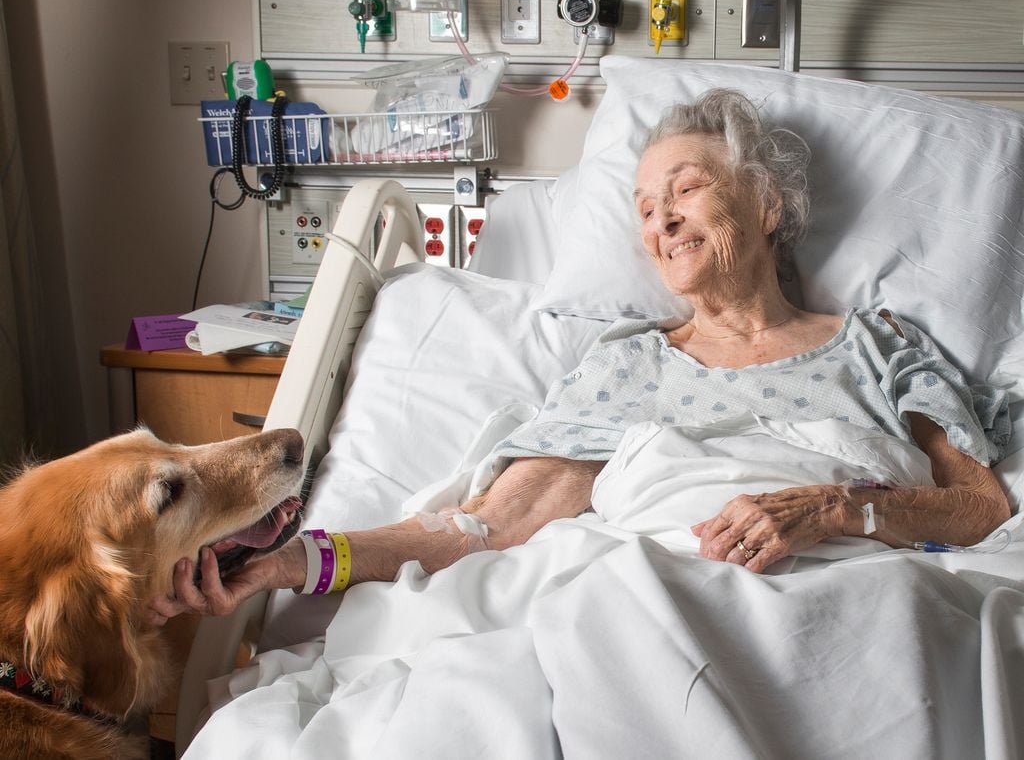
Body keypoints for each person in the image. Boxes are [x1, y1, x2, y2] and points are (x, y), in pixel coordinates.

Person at [150, 88, 1011, 622]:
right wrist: (282, 562)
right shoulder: (631, 365)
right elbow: (486, 529)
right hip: (663, 603)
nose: (660, 220)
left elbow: (979, 507)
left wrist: (833, 508)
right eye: (643, 208)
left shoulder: (879, 345)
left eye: (687, 189)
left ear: (768, 203)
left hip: (853, 596)